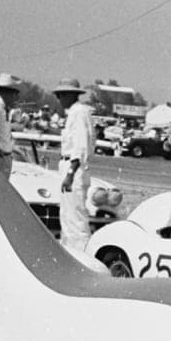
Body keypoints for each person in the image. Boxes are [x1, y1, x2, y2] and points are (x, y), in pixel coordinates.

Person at [52, 78, 95, 253]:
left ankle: (81, 256)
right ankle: (70, 254)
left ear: (71, 95)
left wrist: (70, 172)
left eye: (61, 94)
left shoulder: (79, 113)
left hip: (74, 169)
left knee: (76, 221)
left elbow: (80, 146)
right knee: (67, 218)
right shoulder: (74, 113)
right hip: (68, 166)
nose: (59, 98)